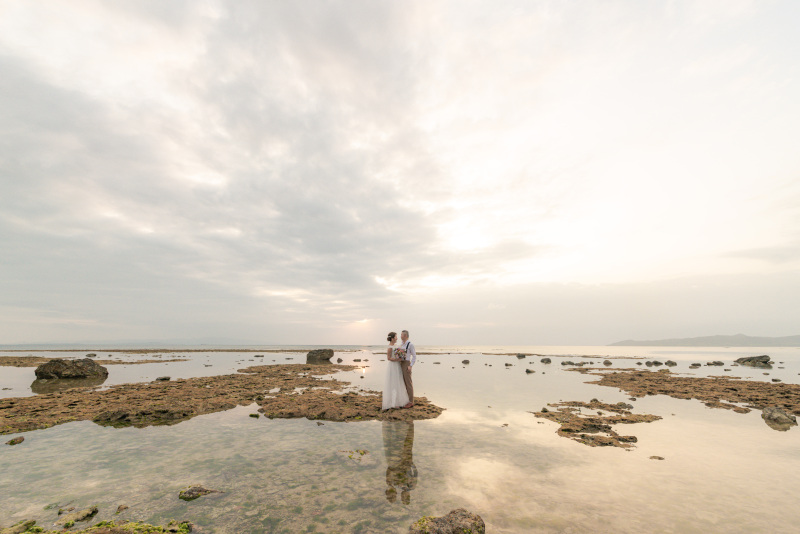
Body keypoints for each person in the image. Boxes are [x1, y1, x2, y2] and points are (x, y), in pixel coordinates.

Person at [382, 332, 410, 410]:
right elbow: (388, 358)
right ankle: (393, 403)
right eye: (396, 337)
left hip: (397, 366)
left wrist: (401, 356)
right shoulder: (390, 347)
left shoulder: (396, 346)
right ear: (392, 338)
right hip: (393, 366)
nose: (397, 338)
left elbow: (399, 354)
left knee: (398, 382)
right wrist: (397, 359)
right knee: (393, 383)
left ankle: (399, 401)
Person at [399, 330, 416, 408]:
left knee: (408, 383)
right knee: (402, 383)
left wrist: (410, 366)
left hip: (406, 364)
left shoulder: (410, 344)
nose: (400, 336)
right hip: (400, 364)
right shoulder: (401, 344)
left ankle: (411, 401)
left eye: (401, 335)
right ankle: (405, 400)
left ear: (405, 336)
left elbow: (414, 356)